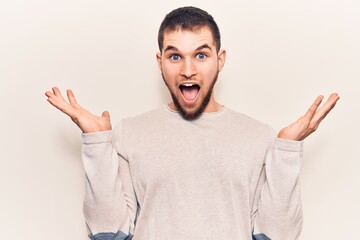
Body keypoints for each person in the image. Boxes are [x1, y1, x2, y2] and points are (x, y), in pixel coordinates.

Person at [45, 6, 339, 240]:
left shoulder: (258, 135)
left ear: (220, 60)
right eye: (175, 56)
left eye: (201, 55)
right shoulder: (129, 132)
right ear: (160, 61)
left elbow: (279, 235)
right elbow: (108, 234)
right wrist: (97, 142)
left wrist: (287, 148)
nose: (188, 70)